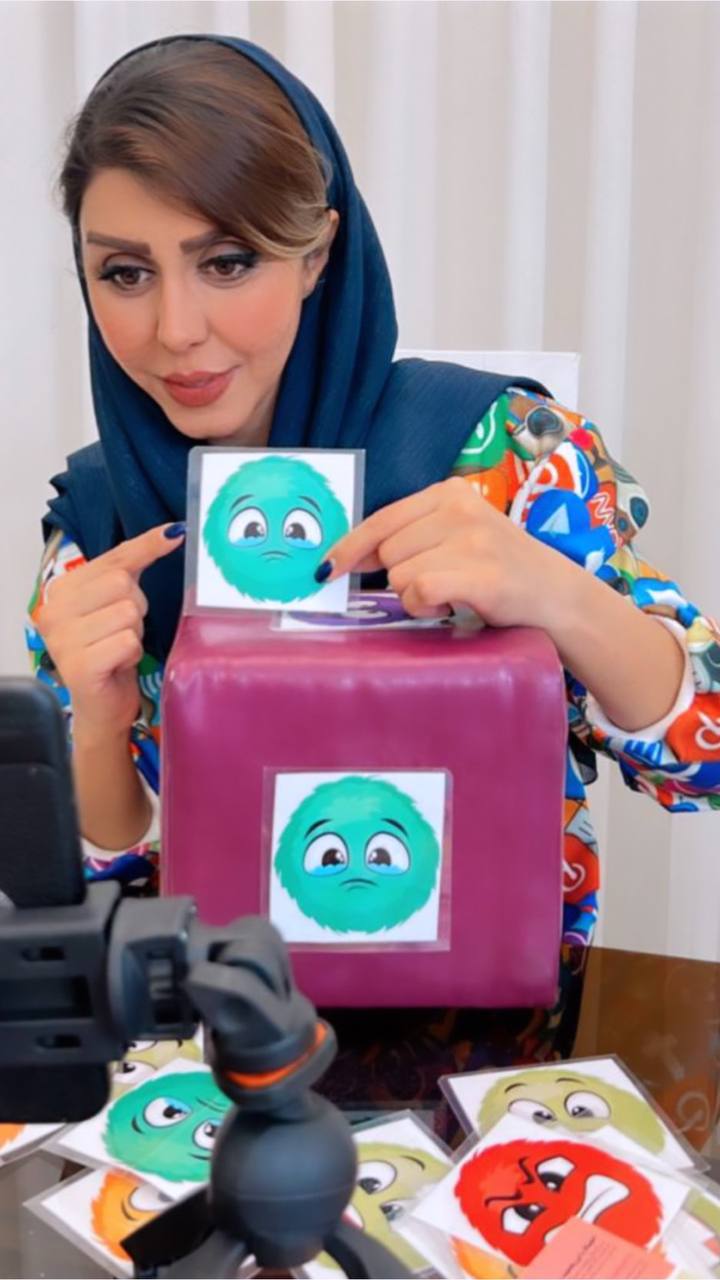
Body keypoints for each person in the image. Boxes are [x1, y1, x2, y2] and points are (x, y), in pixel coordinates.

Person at [26, 35, 720, 1069]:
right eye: (125, 272)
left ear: (317, 253)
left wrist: (555, 594)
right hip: (203, 1082)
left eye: (227, 261)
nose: (176, 328)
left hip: (489, 1076)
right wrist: (98, 724)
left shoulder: (503, 455)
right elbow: (110, 895)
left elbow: (707, 762)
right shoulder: (99, 524)